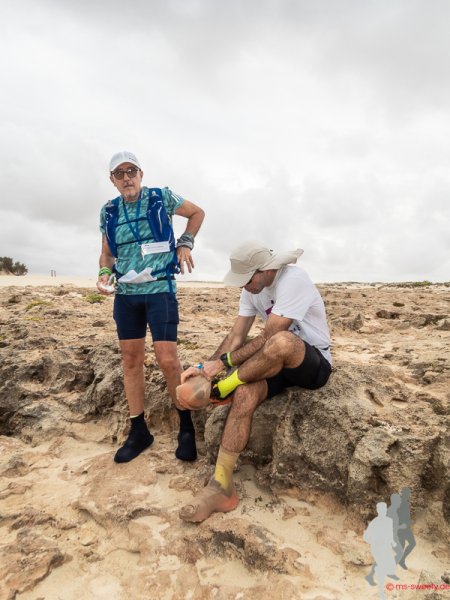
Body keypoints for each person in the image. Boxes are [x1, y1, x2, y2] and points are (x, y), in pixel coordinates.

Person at [176, 240, 332, 522]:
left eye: (246, 279)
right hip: (274, 364)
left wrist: (224, 368)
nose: (243, 286)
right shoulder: (252, 289)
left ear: (266, 270)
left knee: (282, 340)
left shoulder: (293, 279)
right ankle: (221, 486)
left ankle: (226, 387)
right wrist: (203, 370)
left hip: (311, 361)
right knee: (245, 394)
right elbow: (235, 336)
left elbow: (270, 338)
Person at [97, 151, 205, 463]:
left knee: (168, 360)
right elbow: (107, 253)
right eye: (120, 173)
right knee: (131, 360)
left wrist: (185, 243)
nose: (127, 177)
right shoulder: (109, 211)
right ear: (112, 180)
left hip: (160, 291)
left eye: (131, 171)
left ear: (141, 174)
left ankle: (186, 427)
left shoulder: (161, 197)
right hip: (126, 295)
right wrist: (104, 273)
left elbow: (197, 213)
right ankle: (139, 431)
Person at [364, 502, 398, 600]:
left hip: (386, 546)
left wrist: (392, 543)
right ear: (378, 510)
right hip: (377, 547)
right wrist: (374, 542)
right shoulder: (375, 522)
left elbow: (390, 533)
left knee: (390, 565)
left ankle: (371, 576)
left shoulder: (389, 521)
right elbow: (366, 537)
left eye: (384, 509)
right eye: (381, 509)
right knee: (382, 568)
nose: (383, 511)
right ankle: (381, 593)